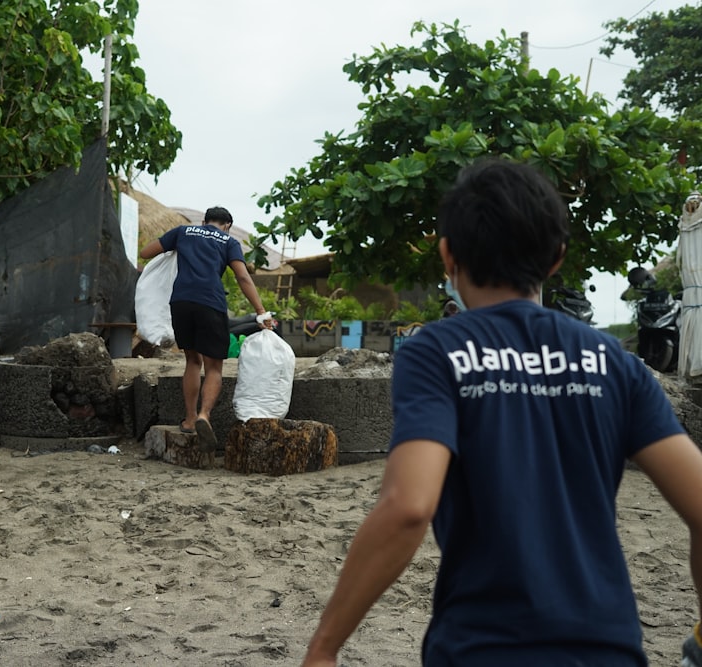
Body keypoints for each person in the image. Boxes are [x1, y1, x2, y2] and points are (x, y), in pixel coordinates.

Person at [301, 159, 702, 666]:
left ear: (447, 255)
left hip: (483, 647)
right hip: (609, 649)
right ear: (556, 257)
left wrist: (325, 646)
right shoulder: (615, 364)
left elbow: (408, 507)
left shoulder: (437, 352)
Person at [139, 206, 273, 451]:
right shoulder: (228, 241)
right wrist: (261, 311)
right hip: (210, 303)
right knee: (214, 366)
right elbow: (243, 277)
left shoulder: (183, 231)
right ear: (227, 225)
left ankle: (189, 420)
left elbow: (146, 252)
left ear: (204, 221)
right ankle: (204, 415)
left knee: (192, 360)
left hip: (180, 302)